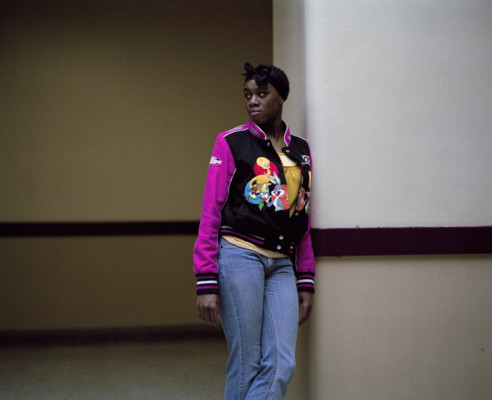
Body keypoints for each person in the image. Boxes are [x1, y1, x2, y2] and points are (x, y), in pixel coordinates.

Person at [193, 62, 315, 400]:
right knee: (247, 363)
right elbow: (210, 212)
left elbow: (302, 215)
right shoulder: (230, 142)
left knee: (281, 364)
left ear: (281, 97)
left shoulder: (301, 149)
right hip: (239, 256)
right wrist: (206, 279)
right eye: (248, 95)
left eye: (262, 94)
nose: (253, 101)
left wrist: (305, 277)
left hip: (282, 264)